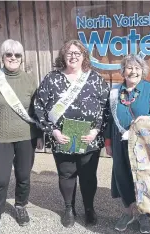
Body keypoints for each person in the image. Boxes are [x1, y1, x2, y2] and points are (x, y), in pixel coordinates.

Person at [34, 39, 110, 228]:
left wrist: (96, 130)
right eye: (69, 53)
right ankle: (69, 208)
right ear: (63, 56)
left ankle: (89, 209)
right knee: (66, 174)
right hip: (61, 137)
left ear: (84, 56)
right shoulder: (52, 78)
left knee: (88, 175)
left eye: (77, 53)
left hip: (89, 138)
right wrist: (53, 131)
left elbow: (106, 107)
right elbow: (38, 107)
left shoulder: (95, 79)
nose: (73, 57)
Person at [0, 39, 44, 234]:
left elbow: (35, 110)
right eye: (9, 54)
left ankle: (20, 206)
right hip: (1, 137)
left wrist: (39, 135)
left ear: (22, 58)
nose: (13, 58)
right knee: (1, 179)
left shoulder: (29, 79)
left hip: (26, 136)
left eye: (17, 55)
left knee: (23, 176)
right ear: (2, 57)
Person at [104, 54, 150, 233]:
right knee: (122, 174)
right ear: (123, 71)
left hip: (143, 141)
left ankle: (144, 215)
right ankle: (128, 212)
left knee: (143, 175)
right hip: (119, 140)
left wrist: (149, 118)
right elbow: (108, 118)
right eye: (129, 68)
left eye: (137, 68)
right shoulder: (115, 92)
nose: (133, 71)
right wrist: (108, 142)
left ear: (142, 71)